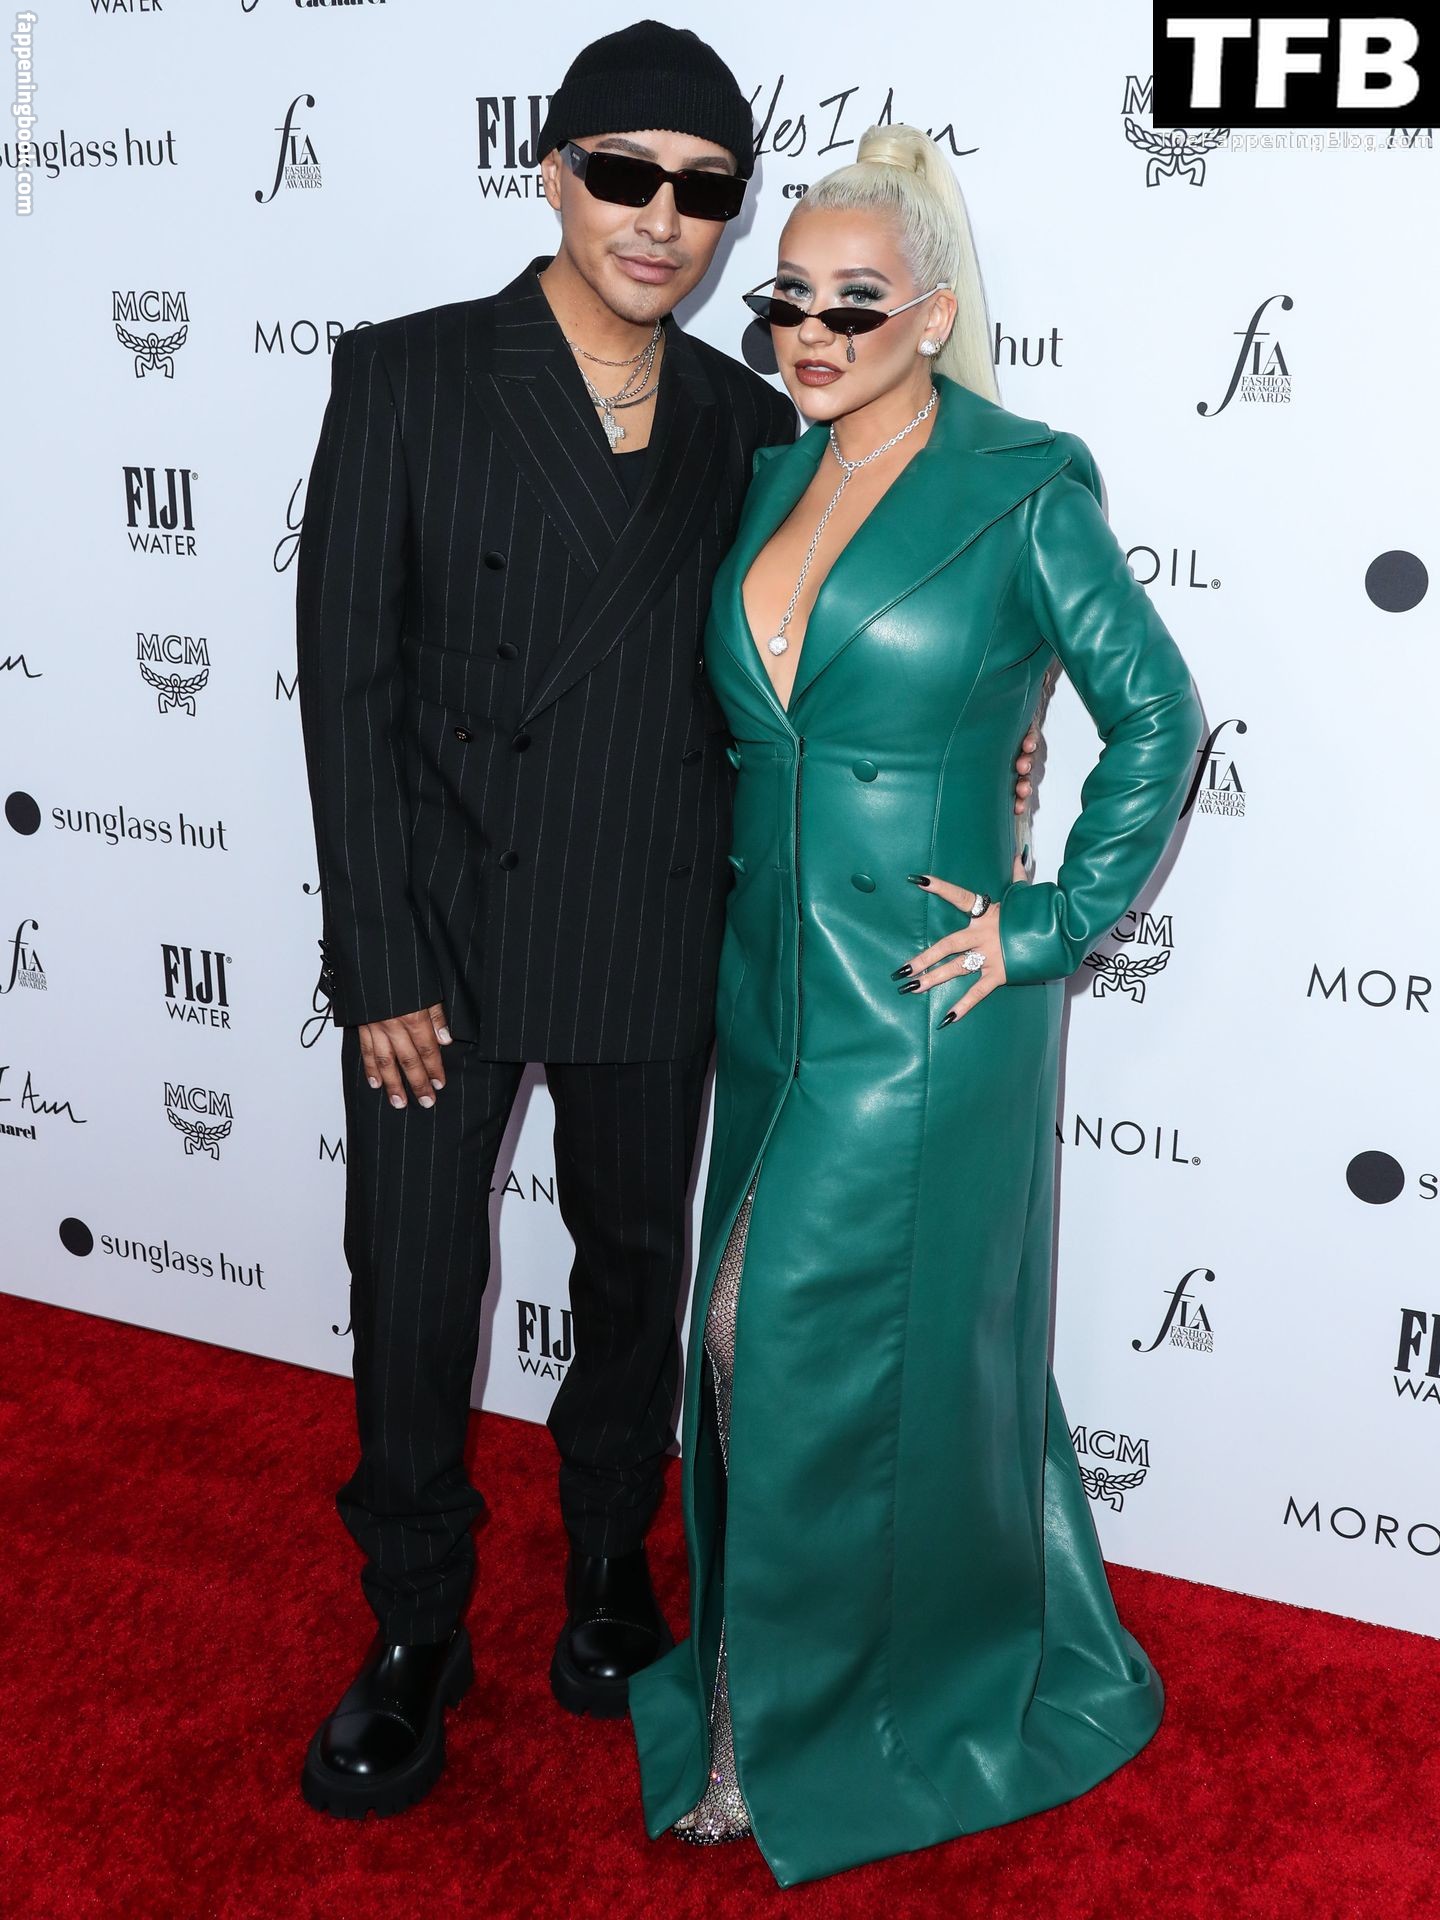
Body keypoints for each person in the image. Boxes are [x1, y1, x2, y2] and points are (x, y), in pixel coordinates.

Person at [294, 17, 1048, 1821]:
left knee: (635, 1280)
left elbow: (848, 613)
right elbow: (346, 688)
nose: (661, 219)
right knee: (412, 1290)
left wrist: (985, 744)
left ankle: (609, 1565)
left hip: (647, 910)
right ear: (553, 171)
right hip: (438, 945)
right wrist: (378, 958)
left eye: (704, 192)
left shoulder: (749, 417)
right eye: (625, 173)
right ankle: (414, 1629)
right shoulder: (405, 374)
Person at [627, 124, 1206, 1888]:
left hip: (933, 1009)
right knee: (757, 1353)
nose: (807, 333)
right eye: (787, 300)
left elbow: (1158, 715)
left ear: (932, 316)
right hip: (773, 995)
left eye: (853, 305)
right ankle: (782, 1693)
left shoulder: (1019, 488)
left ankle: (809, 1732)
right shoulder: (766, 478)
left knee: (798, 1349)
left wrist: (1050, 921)